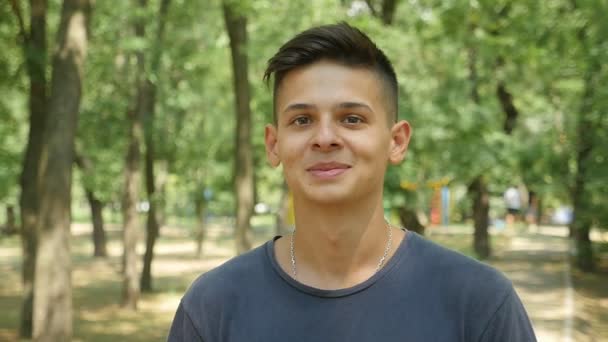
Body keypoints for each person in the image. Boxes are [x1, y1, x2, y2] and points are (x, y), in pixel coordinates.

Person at [168, 22, 536, 341]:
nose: (325, 137)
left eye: (352, 119)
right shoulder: (213, 306)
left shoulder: (478, 303)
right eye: (302, 120)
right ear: (273, 143)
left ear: (396, 141)